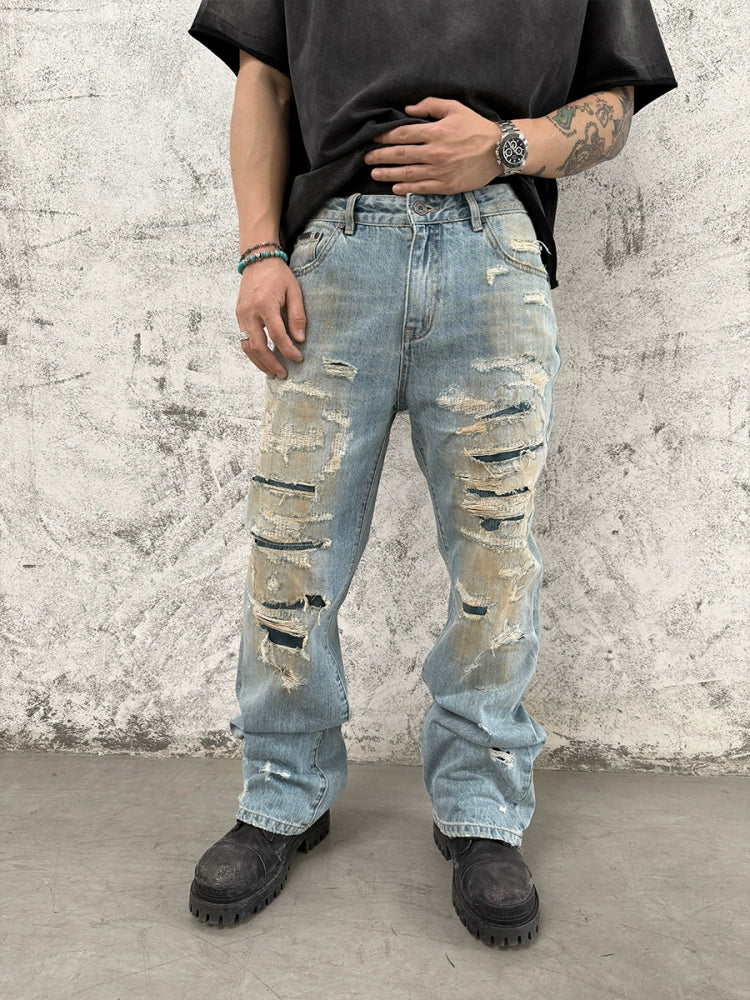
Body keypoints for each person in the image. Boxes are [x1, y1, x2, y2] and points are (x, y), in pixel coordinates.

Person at [186, 0, 676, 945]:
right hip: (334, 250)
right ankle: (282, 791)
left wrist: (505, 147)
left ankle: (481, 809)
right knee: (291, 547)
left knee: (495, 557)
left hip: (493, 247)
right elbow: (265, 78)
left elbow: (611, 104)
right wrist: (258, 250)